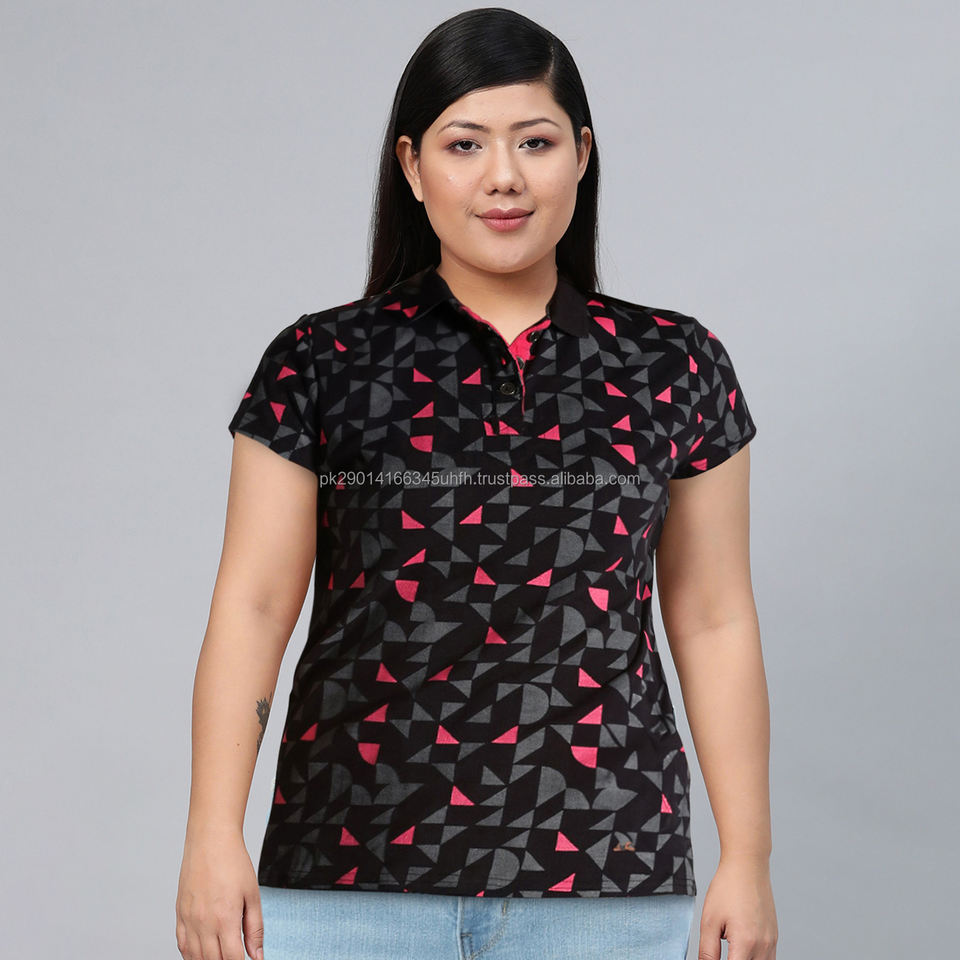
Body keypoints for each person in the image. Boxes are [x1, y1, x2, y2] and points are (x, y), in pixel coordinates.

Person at [175, 8, 777, 960]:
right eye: (465, 144)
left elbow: (713, 618)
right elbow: (252, 608)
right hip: (346, 882)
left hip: (607, 884)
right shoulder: (321, 362)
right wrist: (212, 835)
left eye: (535, 142)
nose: (504, 176)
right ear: (413, 167)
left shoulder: (674, 365)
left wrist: (748, 857)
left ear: (581, 155)